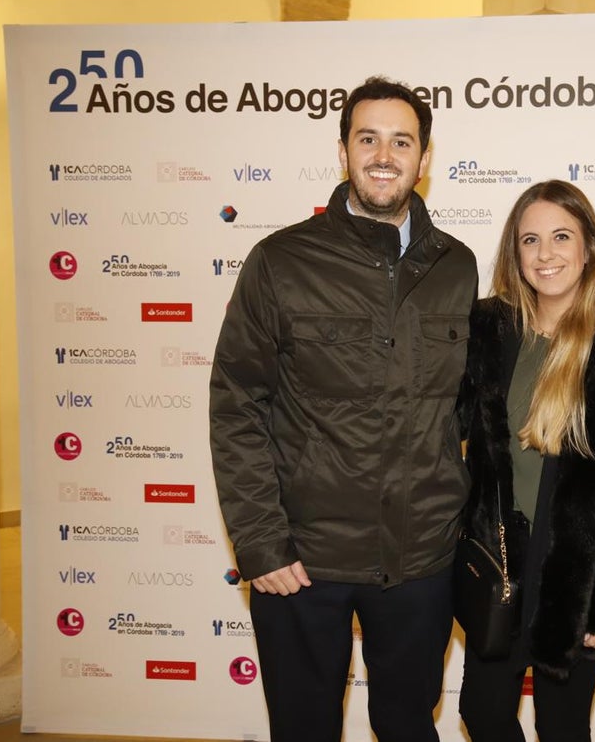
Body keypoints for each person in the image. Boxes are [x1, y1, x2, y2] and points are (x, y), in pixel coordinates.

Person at [209, 75, 477, 742]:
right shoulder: (280, 260)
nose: (383, 155)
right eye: (368, 138)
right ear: (343, 150)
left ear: (424, 157)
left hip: (420, 556)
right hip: (303, 558)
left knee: (409, 724)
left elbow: (469, 410)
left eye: (401, 140)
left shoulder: (459, 266)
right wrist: (262, 542)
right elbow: (237, 403)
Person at [457, 180, 595, 742]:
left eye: (561, 236)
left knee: (563, 728)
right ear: (514, 253)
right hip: (500, 567)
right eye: (530, 240)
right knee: (483, 713)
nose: (545, 255)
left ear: (589, 246)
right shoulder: (489, 327)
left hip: (576, 577)